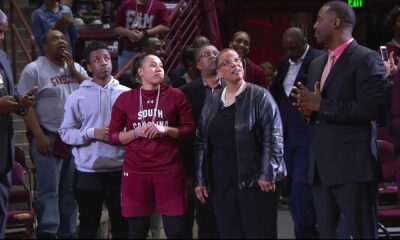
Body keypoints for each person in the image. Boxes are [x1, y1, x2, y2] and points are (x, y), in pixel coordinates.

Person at [292, 1, 385, 238]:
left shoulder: (366, 58)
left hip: (353, 168)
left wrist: (320, 105)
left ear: (336, 22)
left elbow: (371, 109)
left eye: (319, 19)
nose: (314, 25)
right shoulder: (316, 64)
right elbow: (317, 113)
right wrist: (307, 112)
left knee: (362, 232)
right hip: (321, 170)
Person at [195, 48, 286, 238]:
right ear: (219, 72)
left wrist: (268, 172)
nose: (235, 64)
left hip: (254, 180)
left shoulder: (259, 96)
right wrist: (201, 178)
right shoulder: (212, 101)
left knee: (259, 231)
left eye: (237, 60)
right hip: (221, 184)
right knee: (229, 232)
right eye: (227, 63)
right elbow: (201, 142)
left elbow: (274, 136)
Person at [108, 53, 195, 238]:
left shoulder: (176, 95)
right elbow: (113, 137)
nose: (159, 69)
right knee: (137, 231)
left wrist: (165, 130)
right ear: (140, 72)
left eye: (161, 66)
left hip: (169, 170)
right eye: (153, 65)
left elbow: (189, 130)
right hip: (135, 172)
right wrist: (135, 133)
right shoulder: (125, 99)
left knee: (176, 230)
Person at [17, 29, 88, 238]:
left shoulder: (75, 68)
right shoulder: (34, 69)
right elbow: (25, 105)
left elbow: (93, 92)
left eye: (63, 38)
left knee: (69, 190)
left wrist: (73, 70)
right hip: (48, 136)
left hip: (74, 138)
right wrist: (38, 135)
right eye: (55, 39)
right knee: (49, 191)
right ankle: (48, 231)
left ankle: (67, 232)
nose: (61, 42)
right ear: (44, 46)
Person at [58, 41, 129, 238]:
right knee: (89, 226)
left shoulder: (126, 94)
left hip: (121, 169)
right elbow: (65, 132)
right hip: (88, 172)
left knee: (122, 227)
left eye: (106, 58)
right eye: (97, 60)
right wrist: (90, 133)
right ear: (88, 66)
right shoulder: (77, 96)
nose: (104, 63)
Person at [270, 27, 323, 239]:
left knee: (303, 187)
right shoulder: (283, 63)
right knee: (291, 187)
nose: (290, 53)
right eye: (286, 49)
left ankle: (309, 232)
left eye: (293, 48)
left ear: (305, 41)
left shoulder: (319, 59)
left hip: (309, 135)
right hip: (286, 136)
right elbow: (277, 95)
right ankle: (302, 231)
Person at [179, 44, 222, 239]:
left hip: (230, 164)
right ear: (197, 64)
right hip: (199, 167)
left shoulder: (236, 86)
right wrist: (189, 172)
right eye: (206, 55)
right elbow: (185, 137)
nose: (212, 57)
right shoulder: (186, 92)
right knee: (205, 220)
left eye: (215, 53)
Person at [0, 10, 35, 239]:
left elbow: (9, 91)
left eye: (3, 32)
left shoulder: (2, 55)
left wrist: (20, 102)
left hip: (2, 150)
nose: (2, 37)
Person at [114, 0, 170, 71]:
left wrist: (145, 33)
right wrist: (129, 33)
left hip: (149, 51)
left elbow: (165, 27)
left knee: (150, 77)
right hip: (128, 50)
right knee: (124, 79)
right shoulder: (126, 5)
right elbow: (117, 28)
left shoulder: (159, 6)